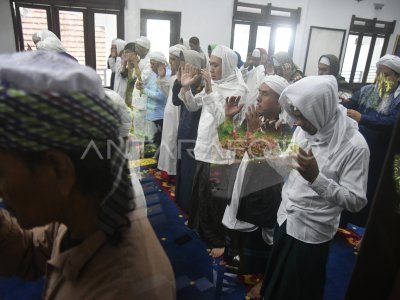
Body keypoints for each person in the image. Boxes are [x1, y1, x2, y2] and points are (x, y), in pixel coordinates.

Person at [0, 51, 175, 299]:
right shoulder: (79, 212)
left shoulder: (122, 289)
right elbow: (30, 252)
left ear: (59, 170)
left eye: (1, 172)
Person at [261, 75, 369, 300]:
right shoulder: (306, 130)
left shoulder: (354, 146)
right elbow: (286, 168)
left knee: (298, 290)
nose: (297, 123)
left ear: (319, 111)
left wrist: (316, 178)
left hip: (310, 233)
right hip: (285, 219)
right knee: (275, 284)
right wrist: (264, 141)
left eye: (301, 116)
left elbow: (356, 201)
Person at [220, 75, 291, 299]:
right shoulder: (253, 117)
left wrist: (255, 132)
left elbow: (280, 166)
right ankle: (236, 259)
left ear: (281, 101)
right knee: (237, 223)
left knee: (260, 235)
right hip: (243, 182)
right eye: (259, 92)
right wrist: (228, 118)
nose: (258, 98)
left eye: (265, 93)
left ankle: (264, 278)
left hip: (265, 193)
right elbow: (229, 145)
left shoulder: (287, 129)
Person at [179, 45, 247, 258]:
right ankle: (201, 230)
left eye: (216, 64)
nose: (212, 68)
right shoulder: (216, 84)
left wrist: (209, 90)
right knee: (201, 193)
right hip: (204, 148)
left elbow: (223, 122)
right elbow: (192, 106)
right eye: (211, 64)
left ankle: (218, 240)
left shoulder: (238, 90)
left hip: (220, 152)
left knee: (214, 199)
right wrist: (186, 88)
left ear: (227, 65)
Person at [341, 54, 400, 227]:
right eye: (379, 73)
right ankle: (344, 223)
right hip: (356, 149)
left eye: (386, 75)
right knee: (349, 184)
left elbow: (391, 123)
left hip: (379, 155)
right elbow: (350, 103)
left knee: (369, 190)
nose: (381, 79)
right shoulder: (368, 90)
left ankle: (360, 229)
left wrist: (362, 118)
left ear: (397, 77)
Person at [172, 50, 206, 213]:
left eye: (187, 64)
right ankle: (182, 201)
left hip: (194, 135)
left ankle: (189, 207)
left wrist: (186, 85)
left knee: (190, 172)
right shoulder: (188, 83)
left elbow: (195, 109)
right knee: (182, 170)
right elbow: (176, 101)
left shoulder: (205, 87)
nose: (183, 67)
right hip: (184, 131)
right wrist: (179, 82)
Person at [157, 44, 186, 177]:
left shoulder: (185, 78)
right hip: (169, 115)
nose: (171, 63)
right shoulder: (173, 77)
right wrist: (161, 77)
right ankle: (166, 170)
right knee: (167, 140)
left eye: (173, 59)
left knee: (173, 141)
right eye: (170, 59)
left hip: (177, 115)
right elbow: (166, 94)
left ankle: (174, 172)